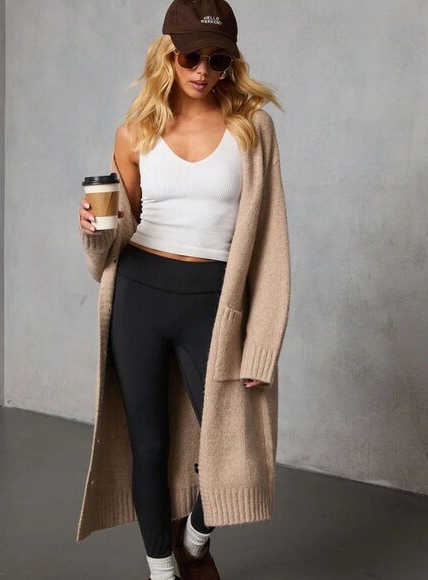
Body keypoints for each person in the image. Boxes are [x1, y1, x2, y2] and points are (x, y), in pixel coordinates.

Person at [77, 1, 288, 578]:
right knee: (148, 445)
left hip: (214, 302)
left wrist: (263, 340)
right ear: (167, 53)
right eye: (191, 56)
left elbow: (271, 240)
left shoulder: (253, 129)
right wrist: (94, 232)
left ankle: (196, 537)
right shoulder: (134, 132)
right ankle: (162, 569)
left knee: (233, 437)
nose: (202, 70)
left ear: (230, 63)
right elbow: (117, 237)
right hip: (139, 293)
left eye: (217, 60)